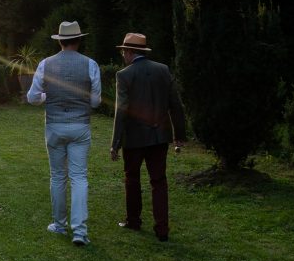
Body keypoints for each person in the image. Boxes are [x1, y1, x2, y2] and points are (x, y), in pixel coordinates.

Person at [26, 21, 102, 246]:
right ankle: (79, 231)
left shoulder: (45, 64)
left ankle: (59, 225)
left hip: (55, 126)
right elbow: (96, 102)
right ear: (78, 40)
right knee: (79, 177)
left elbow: (32, 97)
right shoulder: (90, 64)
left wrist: (46, 98)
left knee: (58, 176)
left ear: (60, 41)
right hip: (80, 125)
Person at [109, 32, 187, 241]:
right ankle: (162, 229)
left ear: (129, 52)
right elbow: (176, 105)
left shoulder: (124, 75)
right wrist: (179, 135)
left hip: (134, 138)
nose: (123, 55)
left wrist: (115, 143)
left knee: (132, 179)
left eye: (123, 51)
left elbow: (122, 110)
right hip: (160, 135)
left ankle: (133, 221)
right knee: (159, 181)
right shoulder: (163, 70)